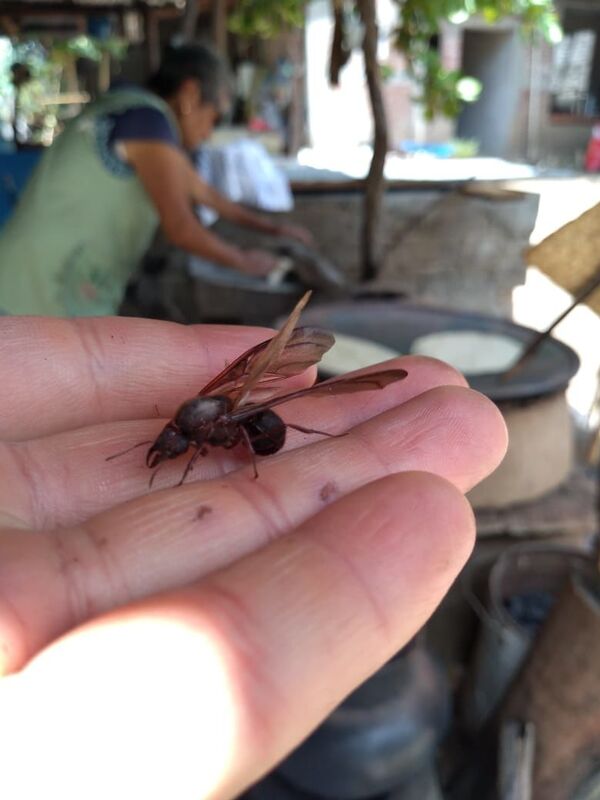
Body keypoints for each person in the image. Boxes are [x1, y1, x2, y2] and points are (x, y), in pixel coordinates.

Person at [0, 314, 507, 799]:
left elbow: (215, 431)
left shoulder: (210, 424)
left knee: (288, 409)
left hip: (262, 434)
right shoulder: (189, 421)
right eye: (173, 442)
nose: (171, 446)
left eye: (174, 444)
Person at [0, 43, 310, 317]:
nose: (208, 134)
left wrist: (275, 229)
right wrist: (247, 262)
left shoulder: (140, 118)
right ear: (190, 94)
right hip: (31, 291)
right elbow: (181, 228)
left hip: (29, 283)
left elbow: (206, 194)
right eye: (214, 118)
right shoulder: (148, 121)